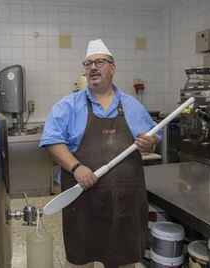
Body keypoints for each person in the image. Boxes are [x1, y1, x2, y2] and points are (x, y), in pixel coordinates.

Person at [39, 39, 161, 268]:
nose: (93, 67)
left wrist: (150, 143)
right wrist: (76, 168)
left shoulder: (132, 106)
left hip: (124, 202)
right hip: (83, 201)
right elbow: (51, 140)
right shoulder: (68, 106)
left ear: (112, 68)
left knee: (123, 259)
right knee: (81, 259)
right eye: (88, 63)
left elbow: (153, 137)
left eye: (100, 62)